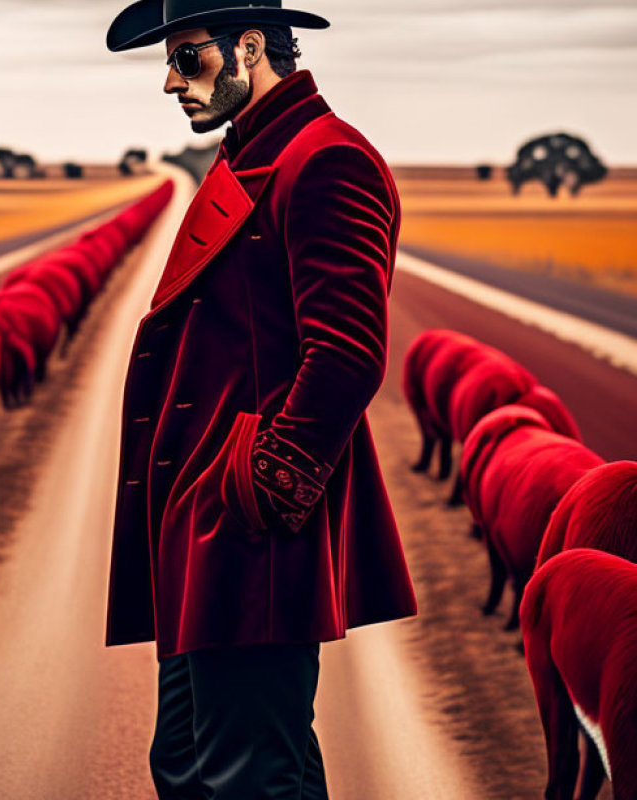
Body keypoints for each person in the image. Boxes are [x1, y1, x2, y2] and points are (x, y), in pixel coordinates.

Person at [104, 2, 418, 797]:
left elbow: (346, 355)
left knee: (249, 771)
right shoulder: (251, 154)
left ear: (249, 46)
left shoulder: (326, 160)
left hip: (244, 527)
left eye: (188, 57)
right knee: (190, 762)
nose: (172, 81)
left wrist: (252, 493)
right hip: (201, 529)